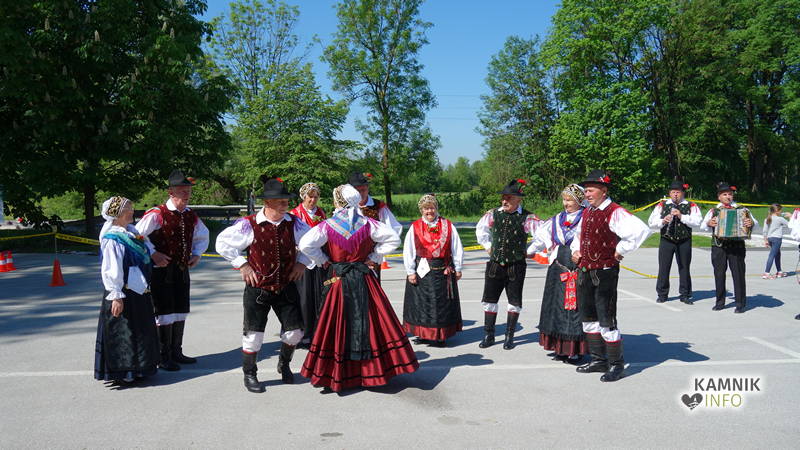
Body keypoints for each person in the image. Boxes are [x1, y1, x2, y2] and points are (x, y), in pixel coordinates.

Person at [298, 184, 418, 393]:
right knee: (372, 322)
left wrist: (323, 260)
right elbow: (393, 238)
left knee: (337, 323)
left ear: (338, 201)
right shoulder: (368, 223)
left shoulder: (327, 226)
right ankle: (371, 371)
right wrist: (374, 256)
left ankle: (338, 373)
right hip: (363, 278)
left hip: (339, 280)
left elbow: (305, 244)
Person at [215, 176, 311, 393]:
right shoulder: (248, 224)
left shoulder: (294, 223)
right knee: (253, 335)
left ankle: (284, 364)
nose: (285, 204)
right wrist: (242, 265)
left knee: (295, 333)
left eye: (286, 200)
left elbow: (313, 243)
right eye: (280, 201)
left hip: (286, 286)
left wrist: (302, 263)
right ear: (267, 203)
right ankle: (250, 373)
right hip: (258, 289)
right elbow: (222, 243)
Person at [570, 170, 650, 382]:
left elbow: (640, 231)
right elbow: (578, 236)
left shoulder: (614, 211)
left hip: (605, 272)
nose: (587, 194)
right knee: (589, 318)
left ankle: (616, 365)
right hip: (585, 271)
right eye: (586, 190)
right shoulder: (587, 212)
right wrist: (575, 250)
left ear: (603, 191)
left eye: (591, 190)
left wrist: (620, 249)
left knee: (606, 320)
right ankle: (598, 360)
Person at [136, 170, 209, 371]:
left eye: (188, 190)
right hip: (160, 272)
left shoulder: (190, 215)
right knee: (163, 311)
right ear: (170, 192)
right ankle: (163, 355)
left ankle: (176, 351)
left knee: (180, 309)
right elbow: (137, 235)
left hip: (181, 270)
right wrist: (153, 253)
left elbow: (203, 235)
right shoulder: (157, 214)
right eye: (181, 190)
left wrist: (197, 254)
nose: (186, 193)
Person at [94, 196, 159, 384]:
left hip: (138, 291)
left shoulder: (131, 232)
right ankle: (125, 371)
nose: (132, 211)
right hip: (123, 291)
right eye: (128, 209)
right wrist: (116, 296)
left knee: (140, 328)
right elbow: (111, 268)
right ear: (118, 213)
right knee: (124, 330)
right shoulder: (113, 238)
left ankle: (139, 369)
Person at [475, 179, 540, 350]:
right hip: (495, 264)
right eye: (503, 197)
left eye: (509, 198)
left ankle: (509, 337)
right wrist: (488, 246)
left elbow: (541, 236)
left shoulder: (528, 217)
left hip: (516, 266)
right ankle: (488, 335)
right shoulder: (493, 214)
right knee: (489, 300)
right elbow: (481, 230)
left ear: (519, 199)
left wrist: (529, 250)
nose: (504, 201)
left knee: (514, 302)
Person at [527, 184, 586, 364]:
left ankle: (573, 350)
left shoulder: (587, 218)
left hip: (577, 267)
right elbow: (540, 238)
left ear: (579, 201)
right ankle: (559, 347)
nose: (566, 203)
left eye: (569, 200)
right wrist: (528, 251)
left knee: (573, 308)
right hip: (558, 267)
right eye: (564, 199)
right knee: (555, 307)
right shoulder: (556, 219)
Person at [402, 194, 464, 347]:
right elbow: (409, 250)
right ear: (421, 210)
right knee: (421, 304)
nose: (429, 211)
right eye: (426, 208)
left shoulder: (448, 225)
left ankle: (440, 336)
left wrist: (458, 267)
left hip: (443, 271)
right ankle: (423, 334)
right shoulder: (415, 227)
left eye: (431, 208)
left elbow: (456, 247)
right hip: (422, 272)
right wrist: (410, 271)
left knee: (441, 306)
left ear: (436, 208)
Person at [700, 182, 757, 313]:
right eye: (724, 194)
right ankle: (720, 302)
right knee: (719, 274)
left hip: (736, 246)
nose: (728, 197)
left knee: (738, 274)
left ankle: (740, 303)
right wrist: (709, 223)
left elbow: (756, 223)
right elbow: (703, 226)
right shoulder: (714, 210)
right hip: (719, 246)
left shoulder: (742, 209)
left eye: (730, 194)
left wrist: (750, 223)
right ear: (719, 197)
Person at [647, 179, 703, 304]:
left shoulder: (691, 205)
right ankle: (662, 294)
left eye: (678, 192)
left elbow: (697, 222)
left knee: (684, 267)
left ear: (683, 193)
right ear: (669, 193)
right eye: (673, 192)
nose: (675, 194)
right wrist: (663, 221)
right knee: (664, 267)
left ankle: (685, 294)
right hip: (666, 240)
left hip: (684, 240)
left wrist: (681, 216)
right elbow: (651, 222)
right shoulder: (662, 205)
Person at [290, 182, 328, 348]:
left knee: (319, 297)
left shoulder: (321, 213)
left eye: (315, 197)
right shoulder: (294, 214)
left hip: (318, 260)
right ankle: (303, 334)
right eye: (310, 197)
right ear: (303, 197)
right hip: (302, 261)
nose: (313, 200)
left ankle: (318, 333)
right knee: (304, 298)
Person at [348, 172, 402, 281]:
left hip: (371, 260)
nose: (361, 194)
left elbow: (394, 230)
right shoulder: (346, 208)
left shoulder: (378, 207)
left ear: (368, 188)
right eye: (358, 191)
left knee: (372, 289)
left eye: (363, 190)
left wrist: (376, 255)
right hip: (350, 260)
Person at [762, 204, 790, 279]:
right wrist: (790, 217)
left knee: (777, 254)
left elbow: (764, 230)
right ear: (777, 211)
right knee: (772, 255)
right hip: (777, 239)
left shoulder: (767, 218)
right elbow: (790, 225)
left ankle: (779, 271)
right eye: (780, 210)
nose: (781, 212)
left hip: (770, 238)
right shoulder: (780, 219)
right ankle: (766, 273)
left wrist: (765, 240)